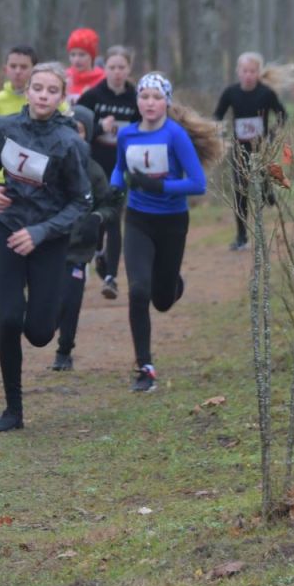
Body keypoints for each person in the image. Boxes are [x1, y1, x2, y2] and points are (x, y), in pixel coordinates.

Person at [0, 62, 92, 431]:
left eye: (51, 91)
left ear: (62, 98)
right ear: (26, 91)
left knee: (40, 334)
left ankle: (61, 295)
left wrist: (41, 232)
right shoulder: (5, 127)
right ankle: (13, 409)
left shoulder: (69, 141)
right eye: (37, 88)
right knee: (9, 319)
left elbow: (82, 201)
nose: (43, 95)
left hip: (48, 241)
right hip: (8, 232)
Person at [112, 73, 207, 392]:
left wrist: (159, 185)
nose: (150, 103)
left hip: (172, 222)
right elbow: (119, 169)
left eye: (156, 97)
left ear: (166, 101)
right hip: (138, 220)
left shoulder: (175, 135)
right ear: (137, 101)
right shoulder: (127, 135)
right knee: (138, 291)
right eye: (144, 97)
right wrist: (113, 191)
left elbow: (198, 183)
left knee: (162, 300)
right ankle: (145, 367)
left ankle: (172, 283)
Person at [51, 153, 124, 372]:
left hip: (79, 249)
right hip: (50, 245)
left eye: (81, 130)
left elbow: (110, 206)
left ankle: (64, 351)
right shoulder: (51, 165)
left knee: (71, 301)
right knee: (51, 307)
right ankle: (48, 326)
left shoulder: (93, 171)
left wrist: (96, 218)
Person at [77, 45, 139, 300]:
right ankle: (99, 255)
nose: (116, 72)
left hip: (121, 168)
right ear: (105, 69)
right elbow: (74, 128)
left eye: (121, 67)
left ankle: (111, 277)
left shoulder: (135, 97)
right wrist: (99, 126)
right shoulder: (92, 96)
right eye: (112, 67)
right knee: (96, 220)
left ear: (128, 69)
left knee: (114, 218)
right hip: (93, 168)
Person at [213, 52, 292, 251]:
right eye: (245, 71)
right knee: (241, 190)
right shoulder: (230, 93)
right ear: (238, 72)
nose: (248, 75)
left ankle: (267, 189)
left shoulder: (266, 93)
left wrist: (272, 135)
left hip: (261, 148)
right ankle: (241, 236)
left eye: (252, 71)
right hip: (239, 149)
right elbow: (217, 116)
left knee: (261, 173)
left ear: (258, 73)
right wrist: (219, 134)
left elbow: (283, 115)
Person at [0, 45, 38, 128]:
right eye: (13, 66)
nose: (17, 71)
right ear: (5, 70)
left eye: (23, 67)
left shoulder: (47, 98)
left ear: (35, 70)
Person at [64, 27, 105, 104]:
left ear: (92, 56)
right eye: (73, 55)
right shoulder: (63, 77)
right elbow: (59, 110)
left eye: (82, 55)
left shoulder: (103, 80)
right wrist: (63, 100)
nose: (76, 60)